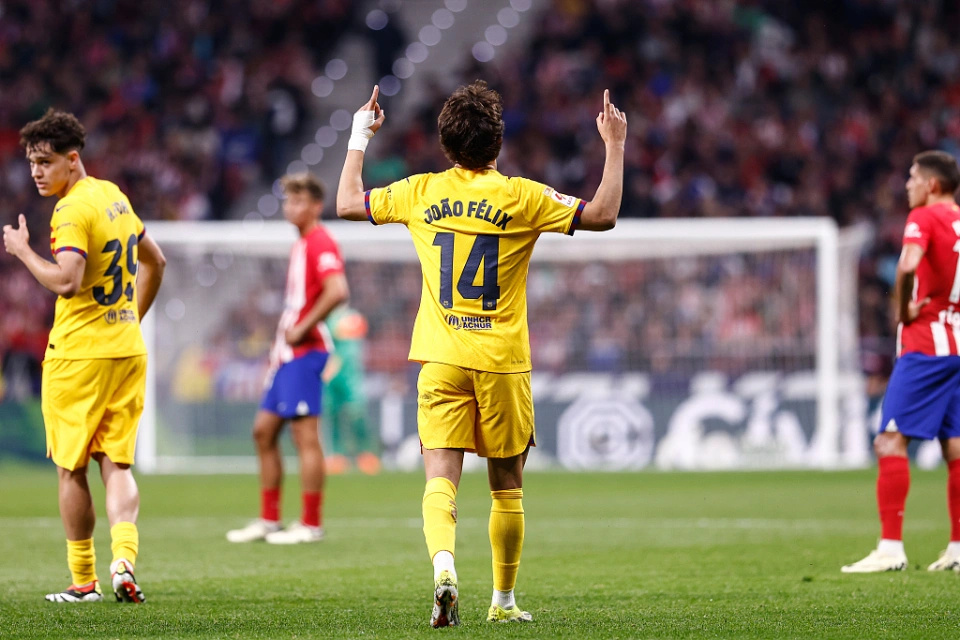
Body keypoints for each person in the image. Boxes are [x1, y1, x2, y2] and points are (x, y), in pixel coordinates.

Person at [336, 82, 627, 625]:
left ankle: (444, 567)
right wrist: (614, 143)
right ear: (498, 141)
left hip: (441, 357)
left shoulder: (421, 191)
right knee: (507, 488)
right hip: (502, 363)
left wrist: (360, 134)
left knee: (440, 480)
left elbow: (348, 203)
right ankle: (503, 602)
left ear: (446, 145)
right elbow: (604, 214)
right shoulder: (523, 196)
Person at [2, 109, 166, 603]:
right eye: (32, 163)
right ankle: (124, 559)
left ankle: (83, 582)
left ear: (72, 160)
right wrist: (131, 318)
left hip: (78, 358)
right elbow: (156, 261)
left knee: (71, 469)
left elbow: (68, 281)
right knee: (117, 464)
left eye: (46, 162)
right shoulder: (113, 195)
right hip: (126, 350)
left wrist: (22, 251)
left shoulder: (71, 210)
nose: (36, 173)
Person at [842, 150, 960, 573]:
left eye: (913, 177)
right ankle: (958, 548)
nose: (907, 185)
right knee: (955, 445)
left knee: (890, 440)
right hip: (957, 343)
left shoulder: (925, 217)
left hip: (926, 345)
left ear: (932, 185)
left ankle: (891, 548)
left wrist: (905, 307)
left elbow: (908, 263)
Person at [226, 173, 348, 545]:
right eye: (288, 201)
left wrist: (302, 327)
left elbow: (337, 290)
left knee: (304, 436)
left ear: (316, 206)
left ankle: (311, 524)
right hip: (287, 355)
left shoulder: (320, 241)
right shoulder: (302, 244)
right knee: (263, 431)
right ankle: (270, 520)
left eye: (299, 201)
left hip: (306, 352)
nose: (290, 208)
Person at [322, 305, 380, 475]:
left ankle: (365, 452)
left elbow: (355, 346)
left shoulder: (354, 318)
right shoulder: (325, 320)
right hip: (331, 374)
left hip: (351, 375)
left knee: (357, 413)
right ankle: (336, 455)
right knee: (333, 414)